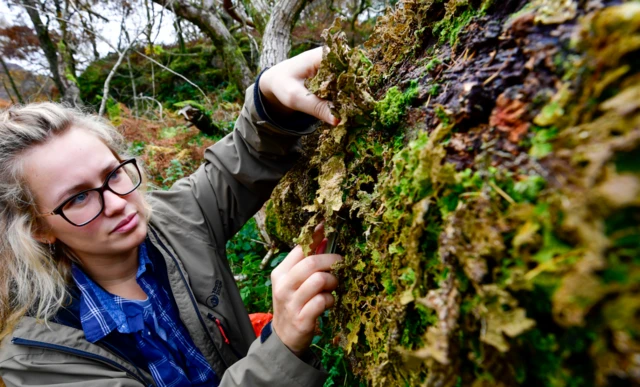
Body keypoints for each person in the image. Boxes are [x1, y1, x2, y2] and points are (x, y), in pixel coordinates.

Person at [0, 47, 342, 386]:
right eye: (79, 198)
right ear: (38, 229)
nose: (118, 203)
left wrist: (269, 96)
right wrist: (280, 346)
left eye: (113, 174)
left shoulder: (175, 219)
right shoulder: (39, 357)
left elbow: (241, 161)